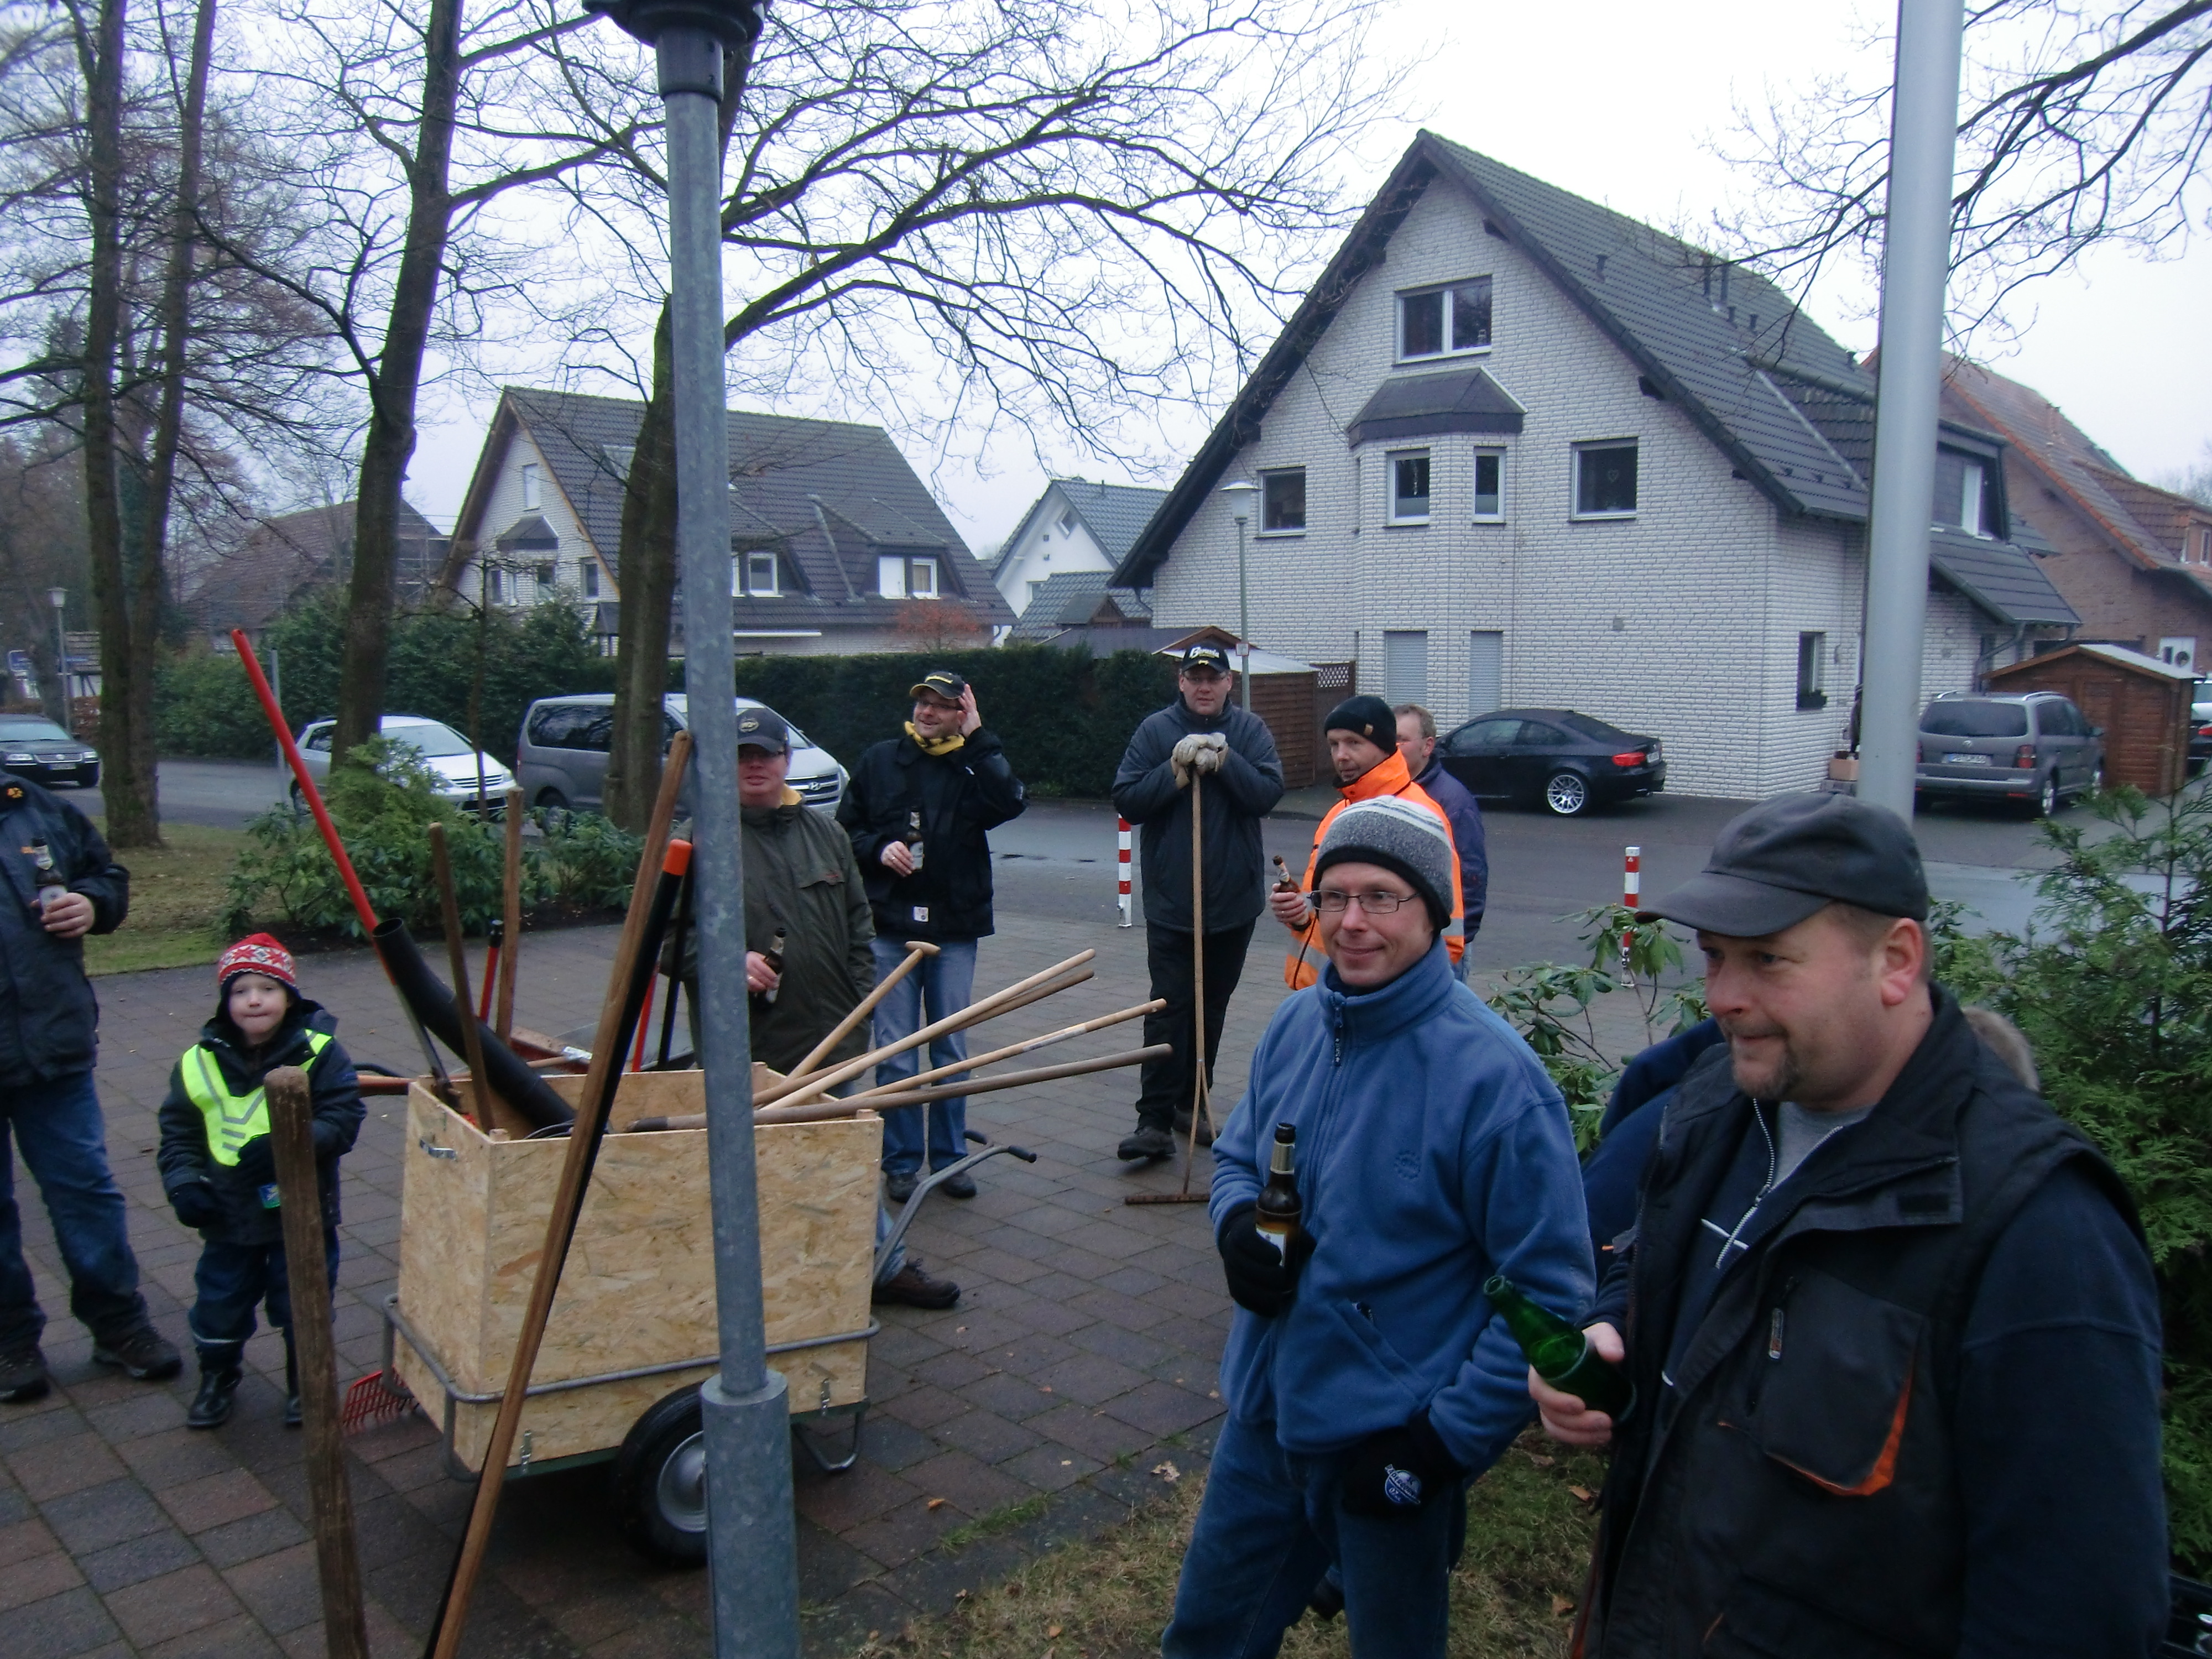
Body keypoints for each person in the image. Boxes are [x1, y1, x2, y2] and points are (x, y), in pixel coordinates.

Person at [1531, 792, 2168, 1657]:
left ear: (1896, 960)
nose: (1723, 998)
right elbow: (1657, 1266)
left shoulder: (2036, 1229)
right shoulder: (1715, 1107)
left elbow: (2077, 1611)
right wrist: (1612, 1330)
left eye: (1767, 959)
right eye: (1715, 957)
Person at [1162, 796, 1592, 1658]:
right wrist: (1236, 1225)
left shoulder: (1495, 1082)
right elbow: (1238, 1158)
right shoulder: (1296, 1025)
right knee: (1206, 1638)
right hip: (1262, 1420)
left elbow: (1548, 1292)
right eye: (1334, 897)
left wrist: (1440, 1445)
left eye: (1381, 898)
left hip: (1392, 1441)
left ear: (1433, 913)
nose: (1351, 922)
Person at [672, 709, 957, 1308]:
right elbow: (664, 943)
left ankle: (881, 1268)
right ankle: (761, 1285)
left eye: (765, 754)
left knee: (840, 1157)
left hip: (832, 1037)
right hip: (747, 1047)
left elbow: (859, 924)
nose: (755, 765)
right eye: (742, 756)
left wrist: (859, 1003)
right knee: (754, 1167)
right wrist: (724, 963)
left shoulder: (825, 834)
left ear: (785, 760)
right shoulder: (698, 841)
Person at [0, 775, 179, 1404]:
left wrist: (91, 904)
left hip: (54, 1044)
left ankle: (118, 1323)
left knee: (84, 1190)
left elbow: (108, 877)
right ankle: (10, 1341)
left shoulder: (34, 808)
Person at [156, 936, 362, 1429]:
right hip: (227, 1212)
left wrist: (290, 1143)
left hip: (301, 1210)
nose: (253, 1000)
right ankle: (218, 1375)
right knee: (219, 1302)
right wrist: (184, 1183)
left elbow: (342, 1119)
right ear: (225, 1002)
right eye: (240, 991)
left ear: (289, 997)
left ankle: (306, 1382)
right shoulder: (197, 1061)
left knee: (303, 1301)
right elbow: (179, 1132)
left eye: (267, 989)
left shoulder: (320, 1053)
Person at [838, 669, 1025, 1202]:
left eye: (940, 705)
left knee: (951, 1052)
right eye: (922, 702)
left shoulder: (973, 764)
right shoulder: (880, 760)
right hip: (891, 927)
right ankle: (900, 1163)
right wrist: (877, 848)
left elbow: (1010, 801)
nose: (926, 711)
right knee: (896, 1053)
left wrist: (980, 739)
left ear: (960, 714)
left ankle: (949, 1159)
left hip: (955, 928)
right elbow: (845, 828)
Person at [1109, 643, 1285, 1164]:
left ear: (1229, 682)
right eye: (1195, 677)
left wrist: (1226, 762)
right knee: (1169, 1009)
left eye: (1214, 677)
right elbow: (1128, 800)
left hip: (1233, 902)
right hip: (1173, 902)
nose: (1204, 686)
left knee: (1212, 1008)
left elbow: (1266, 794)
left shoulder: (1250, 731)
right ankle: (1153, 1121)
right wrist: (1175, 771)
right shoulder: (1155, 731)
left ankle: (1191, 1104)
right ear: (1181, 682)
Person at [1268, 695, 1462, 989]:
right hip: (1320, 996)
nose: (1341, 756)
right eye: (1334, 744)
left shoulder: (1418, 815)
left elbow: (1449, 935)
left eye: (1353, 743)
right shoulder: (1339, 812)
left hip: (1373, 1002)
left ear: (1385, 747)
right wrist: (1298, 915)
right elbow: (1327, 909)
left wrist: (1387, 999)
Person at [1393, 703, 1488, 962]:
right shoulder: (1386, 793)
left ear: (1427, 746)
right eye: (1388, 740)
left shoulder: (1452, 802)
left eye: (1401, 740)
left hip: (1440, 949)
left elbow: (1471, 877)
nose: (1392, 748)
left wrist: (1454, 944)